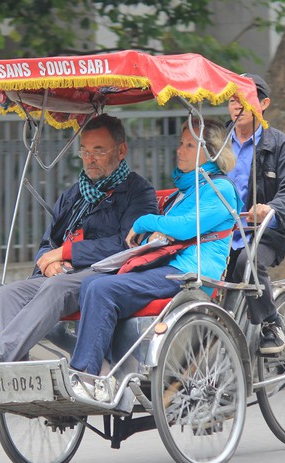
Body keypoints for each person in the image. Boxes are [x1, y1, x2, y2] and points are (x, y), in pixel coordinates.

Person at [0, 114, 158, 364]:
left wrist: (65, 254)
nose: (90, 159)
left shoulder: (138, 192)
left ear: (121, 151)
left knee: (56, 287)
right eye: (84, 151)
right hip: (63, 273)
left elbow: (126, 244)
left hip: (107, 273)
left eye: (99, 150)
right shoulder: (74, 195)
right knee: (10, 292)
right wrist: (48, 261)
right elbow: (47, 243)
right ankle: (14, 374)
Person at [68, 118, 242, 400]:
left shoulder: (220, 189)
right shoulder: (186, 191)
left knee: (102, 289)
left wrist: (145, 221)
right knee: (92, 284)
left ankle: (87, 376)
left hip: (191, 274)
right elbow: (167, 231)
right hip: (169, 268)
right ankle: (109, 371)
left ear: (211, 153)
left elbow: (185, 226)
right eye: (181, 143)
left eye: (189, 145)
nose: (180, 150)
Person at [224, 73, 285, 355]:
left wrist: (271, 208)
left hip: (267, 233)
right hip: (221, 233)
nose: (236, 104)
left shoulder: (281, 145)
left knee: (247, 263)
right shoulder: (215, 144)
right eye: (232, 98)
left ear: (264, 103)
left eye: (244, 98)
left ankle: (271, 325)